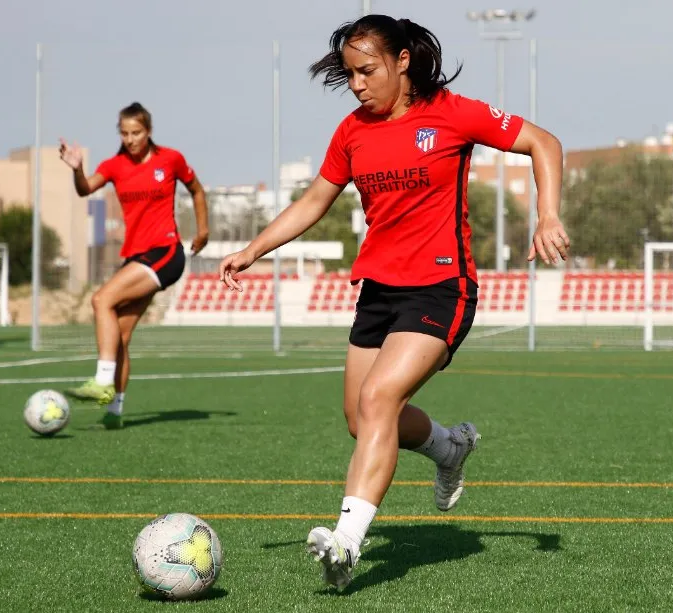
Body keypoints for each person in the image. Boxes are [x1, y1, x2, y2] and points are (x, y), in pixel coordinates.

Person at [219, 15, 568, 590]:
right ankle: (449, 445)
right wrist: (253, 248)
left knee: (380, 396)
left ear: (403, 60)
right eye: (349, 73)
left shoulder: (452, 113)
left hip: (441, 286)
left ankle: (346, 543)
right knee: (361, 418)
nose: (356, 84)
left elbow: (542, 142)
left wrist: (547, 213)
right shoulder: (352, 131)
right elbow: (313, 201)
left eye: (367, 70)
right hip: (378, 290)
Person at [60, 102, 209, 429]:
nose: (130, 139)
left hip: (166, 253)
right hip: (137, 257)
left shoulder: (170, 159)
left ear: (149, 131)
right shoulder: (114, 165)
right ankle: (114, 412)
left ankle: (101, 380)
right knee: (120, 338)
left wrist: (203, 230)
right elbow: (85, 189)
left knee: (101, 299)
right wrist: (76, 168)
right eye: (125, 133)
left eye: (136, 132)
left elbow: (197, 190)